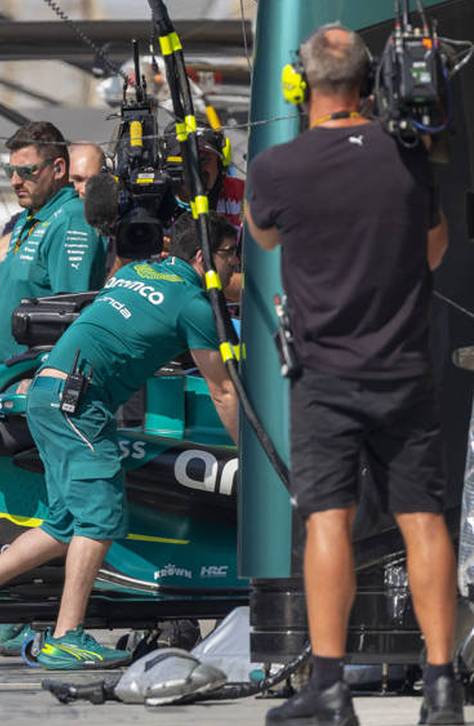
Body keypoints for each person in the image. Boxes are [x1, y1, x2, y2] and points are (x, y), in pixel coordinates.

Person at [246, 25, 458, 726]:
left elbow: (263, 232)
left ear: (301, 86)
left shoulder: (281, 167)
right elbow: (434, 248)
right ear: (368, 84)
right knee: (423, 520)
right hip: (403, 370)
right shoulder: (408, 159)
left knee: (327, 521)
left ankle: (331, 688)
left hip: (327, 377)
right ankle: (440, 687)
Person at [0, 213, 241, 668]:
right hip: (79, 403)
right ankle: (66, 637)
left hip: (49, 394)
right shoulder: (192, 305)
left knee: (64, 524)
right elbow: (223, 389)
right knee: (100, 516)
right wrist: (249, 457)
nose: (235, 265)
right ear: (203, 258)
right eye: (231, 255)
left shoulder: (136, 272)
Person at [0, 121, 107, 378]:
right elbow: (19, 303)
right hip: (2, 384)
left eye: (27, 171)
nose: (15, 181)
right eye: (10, 171)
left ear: (58, 168)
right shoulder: (29, 218)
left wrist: (47, 383)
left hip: (33, 387)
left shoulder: (71, 220)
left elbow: (71, 316)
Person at [0, 142, 105, 269]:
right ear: (61, 174)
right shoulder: (30, 218)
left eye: (93, 181)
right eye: (77, 179)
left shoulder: (113, 219)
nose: (84, 189)